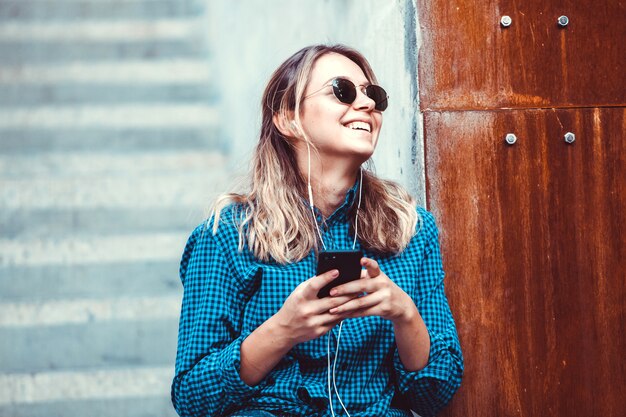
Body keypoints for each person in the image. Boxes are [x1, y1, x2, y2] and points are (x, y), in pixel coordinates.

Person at [171, 44, 463, 417]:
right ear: (288, 119)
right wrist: (283, 330)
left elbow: (434, 396)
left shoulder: (410, 230)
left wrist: (404, 314)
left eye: (373, 95)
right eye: (342, 90)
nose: (366, 104)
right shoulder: (229, 234)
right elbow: (194, 399)